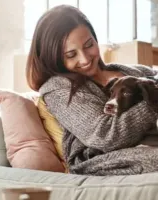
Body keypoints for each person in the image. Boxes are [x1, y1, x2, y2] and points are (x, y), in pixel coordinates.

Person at [26, 5, 158, 176]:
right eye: (71, 55)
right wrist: (153, 102)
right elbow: (105, 136)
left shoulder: (134, 72)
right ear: (55, 58)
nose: (85, 58)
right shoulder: (58, 88)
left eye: (89, 45)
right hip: (104, 158)